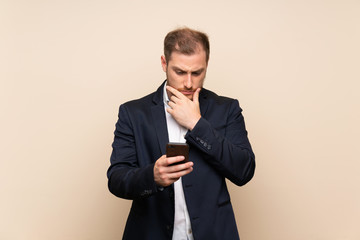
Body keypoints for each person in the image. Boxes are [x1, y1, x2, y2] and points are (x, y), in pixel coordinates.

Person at [107, 27, 255, 240]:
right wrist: (153, 177)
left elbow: (244, 170)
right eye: (179, 72)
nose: (188, 83)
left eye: (197, 72)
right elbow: (116, 179)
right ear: (164, 63)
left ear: (207, 65)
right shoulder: (133, 113)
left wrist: (197, 124)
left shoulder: (227, 109)